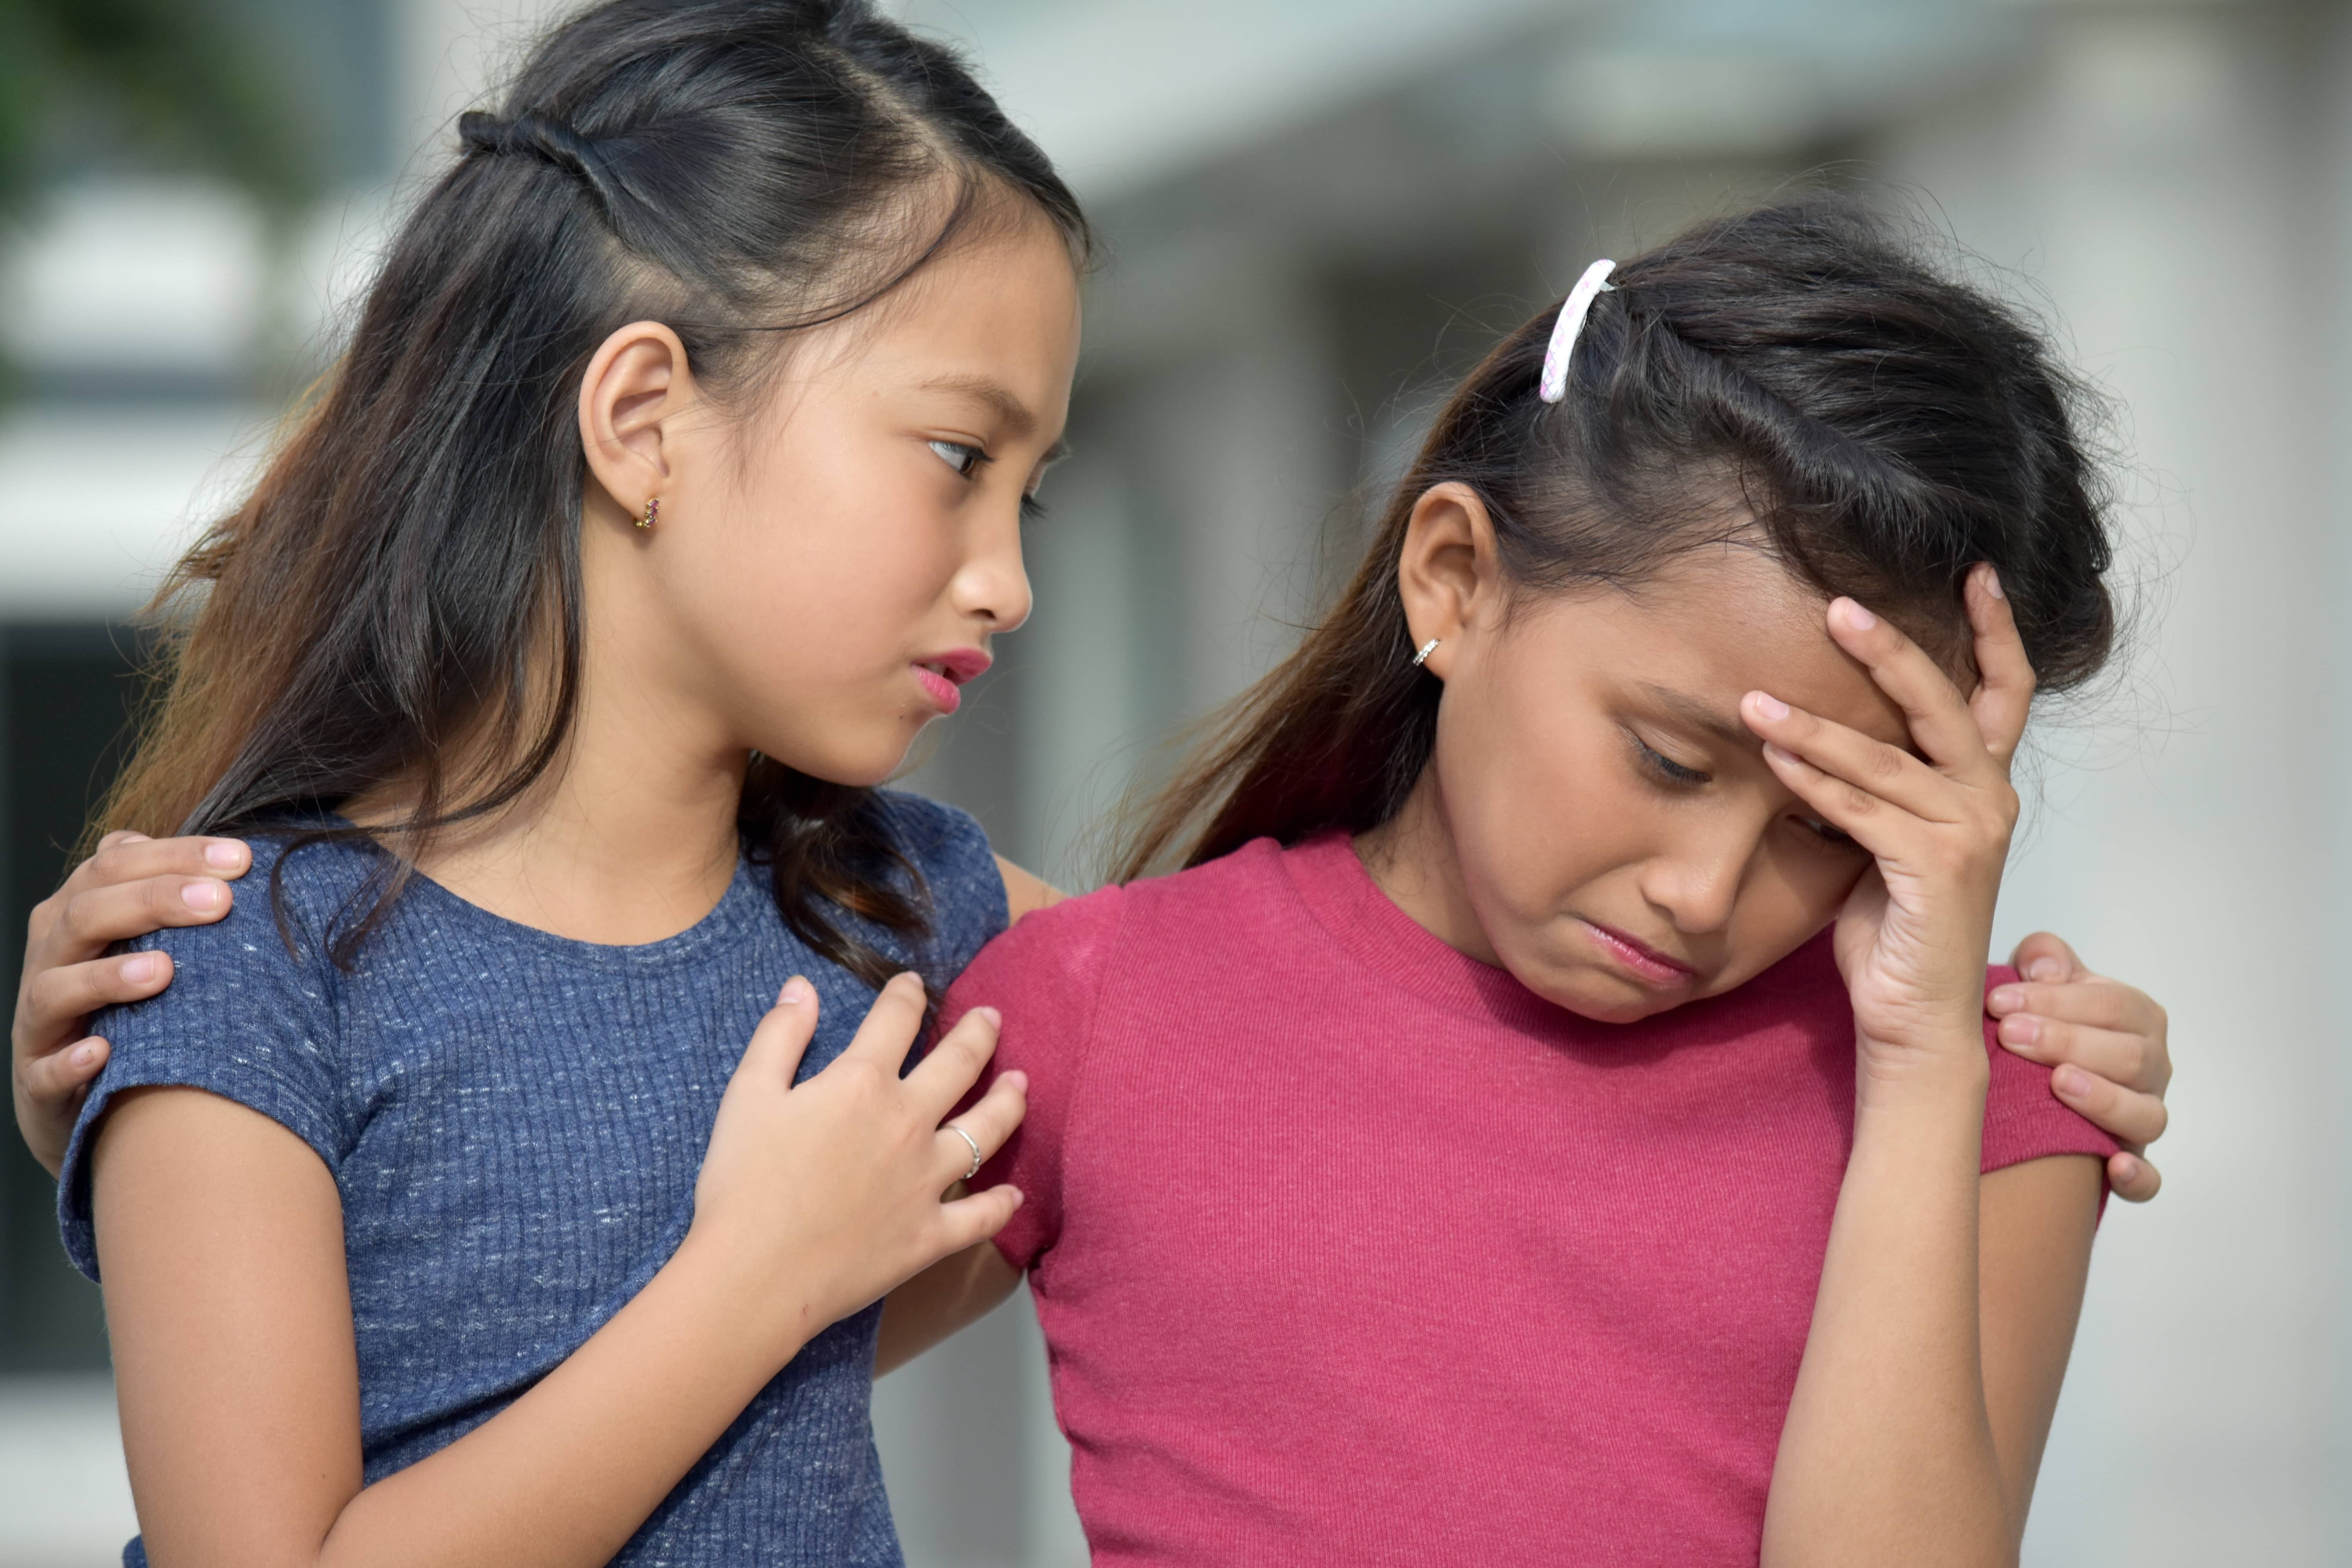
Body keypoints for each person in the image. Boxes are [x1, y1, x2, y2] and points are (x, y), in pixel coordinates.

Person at [871, 203, 2171, 1565]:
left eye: (1833, 828)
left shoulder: (2000, 1094)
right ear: (1454, 581)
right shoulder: (1102, 1009)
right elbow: (704, 1448)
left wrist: (1921, 1073)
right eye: (1670, 760)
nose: (1707, 892)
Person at [4, 3, 1086, 1564]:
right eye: (954, 455)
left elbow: (1279, 1016)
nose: (1007, 583)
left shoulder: (908, 920)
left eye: (1029, 493)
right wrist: (763, 1278)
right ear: (643, 419)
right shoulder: (248, 969)